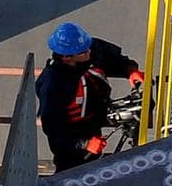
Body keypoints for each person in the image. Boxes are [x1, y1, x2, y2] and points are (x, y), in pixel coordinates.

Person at [38, 20, 144, 169]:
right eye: (83, 52)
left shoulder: (85, 49)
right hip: (72, 136)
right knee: (74, 172)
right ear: (66, 57)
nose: (89, 52)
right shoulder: (53, 85)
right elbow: (53, 128)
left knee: (95, 159)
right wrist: (84, 144)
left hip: (93, 117)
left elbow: (112, 59)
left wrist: (130, 70)